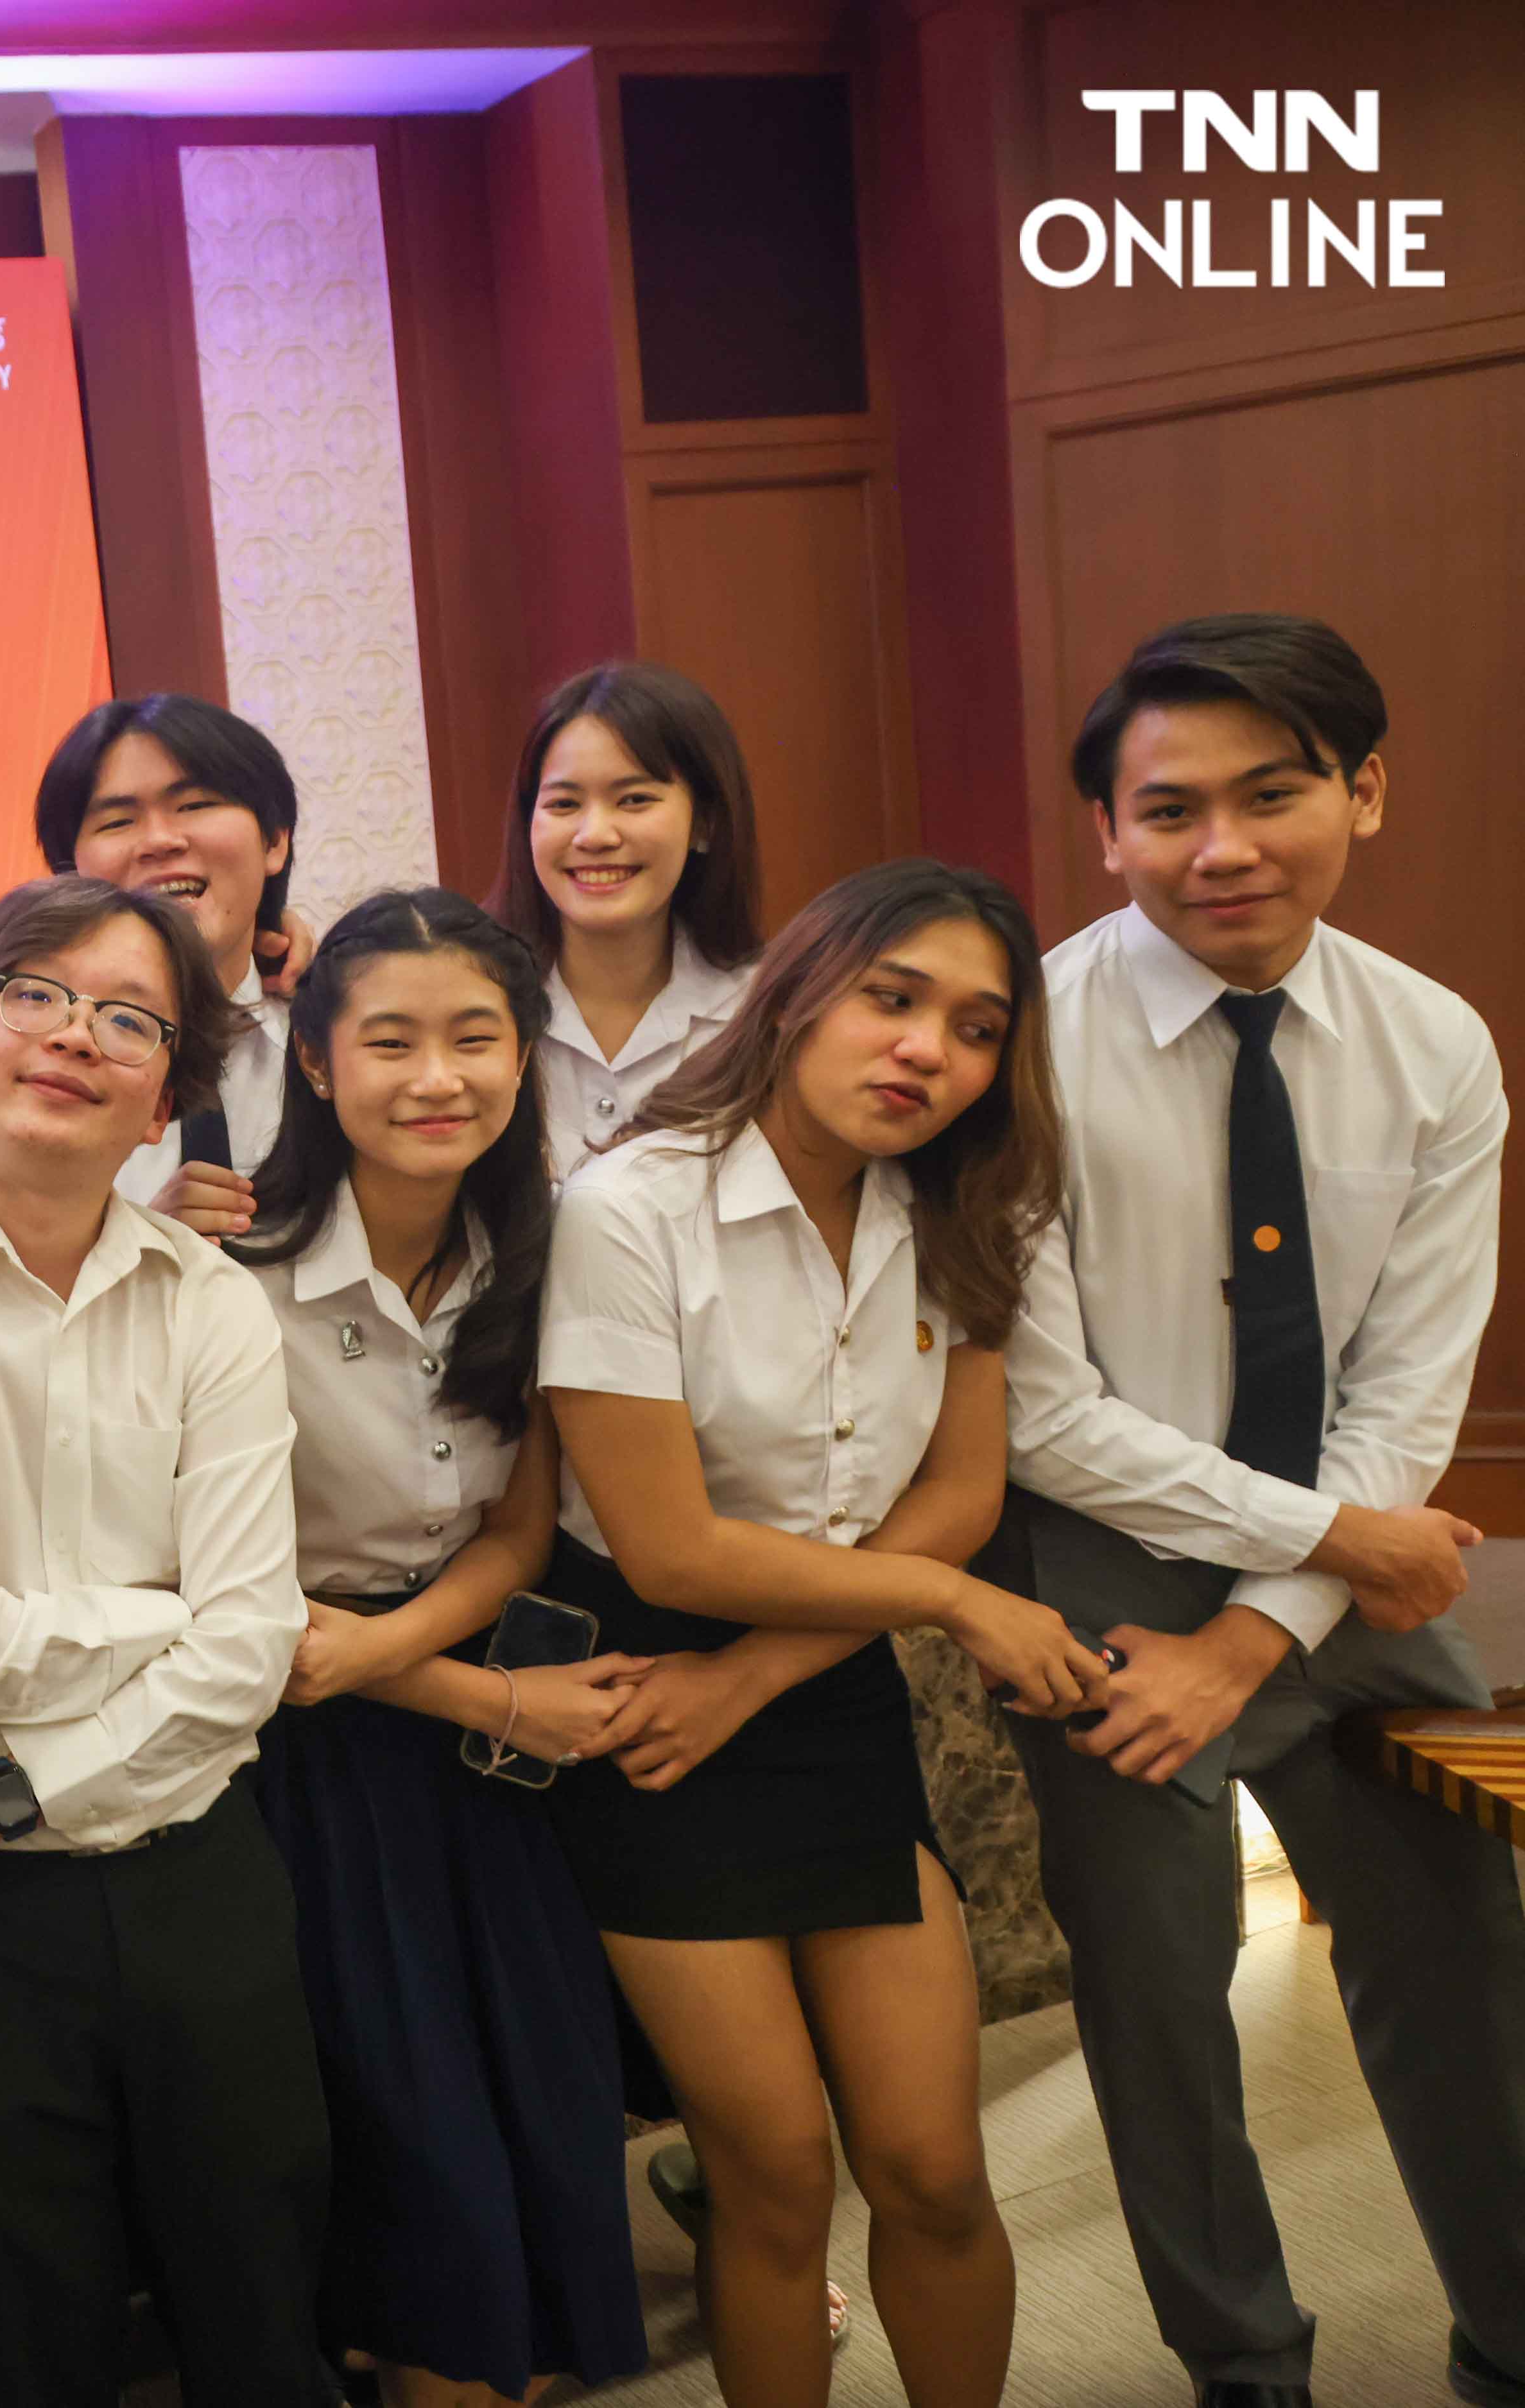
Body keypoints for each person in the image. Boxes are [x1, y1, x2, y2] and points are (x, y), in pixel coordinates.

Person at [986, 615, 1523, 2408]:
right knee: (1157, 2010)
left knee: (1466, 1971)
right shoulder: (1033, 1043)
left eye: (1272, 794)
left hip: (1331, 1584)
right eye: (1168, 810)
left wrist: (1254, 1625)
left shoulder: (1434, 1046)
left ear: (1360, 792)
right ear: (1106, 834)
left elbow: (1410, 1392)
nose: (1220, 848)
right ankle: (1245, 2373)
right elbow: (1046, 1417)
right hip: (1099, 1574)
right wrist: (1297, 1565)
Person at [539, 857, 1112, 2408]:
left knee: (930, 2165)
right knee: (776, 2171)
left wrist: (768, 1673)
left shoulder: (969, 1203)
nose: (931, 1049)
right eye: (895, 998)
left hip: (806, 1686)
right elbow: (669, 1542)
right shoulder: (628, 1205)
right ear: (798, 993)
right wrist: (936, 1603)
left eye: (980, 1027)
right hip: (647, 1690)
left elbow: (961, 1491)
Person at [0, 875, 333, 2408]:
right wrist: (178, 1620)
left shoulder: (211, 1306)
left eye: (127, 1020)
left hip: (188, 1878)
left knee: (265, 2317)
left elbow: (252, 1657)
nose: (74, 1039)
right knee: (32, 2342)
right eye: (34, 995)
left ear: (167, 1093)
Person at [221, 887, 650, 2407]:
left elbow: (518, 1534)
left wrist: (422, 1666)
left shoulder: (534, 1251)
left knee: (545, 2108)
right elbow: (219, 1597)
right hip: (292, 1761)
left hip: (461, 1735)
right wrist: (476, 1691)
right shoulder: (231, 1273)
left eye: (477, 1038)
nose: (437, 1077)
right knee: (413, 2164)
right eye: (389, 1040)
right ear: (317, 1065)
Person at [39, 692, 300, 1241]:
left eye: (196, 805)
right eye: (117, 821)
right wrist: (136, 1254)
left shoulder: (338, 1041)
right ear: (70, 874)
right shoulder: (31, 1066)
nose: (159, 841)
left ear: (274, 840)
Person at [488, 661, 764, 1180]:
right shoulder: (468, 1000)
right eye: (564, 803)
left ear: (705, 822)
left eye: (634, 800)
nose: (594, 835)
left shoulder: (767, 1013)